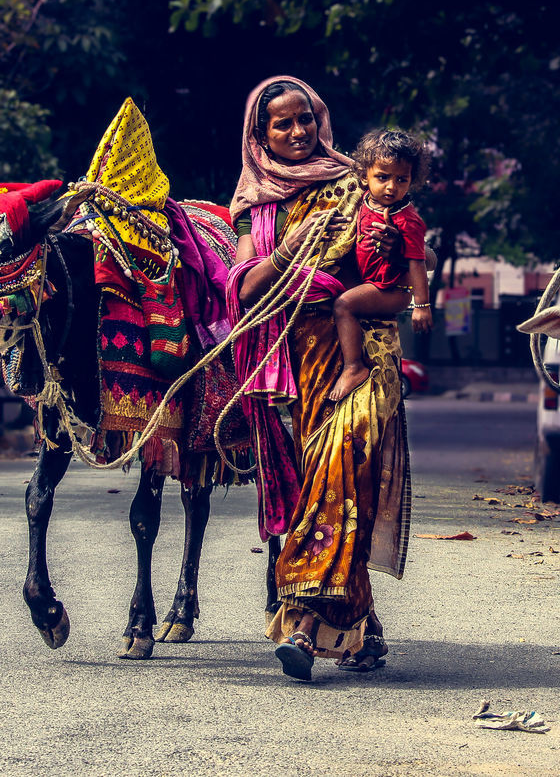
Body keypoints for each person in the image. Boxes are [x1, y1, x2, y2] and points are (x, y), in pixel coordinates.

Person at [226, 76, 412, 681]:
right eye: (283, 123)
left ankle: (303, 622)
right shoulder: (252, 206)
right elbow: (243, 291)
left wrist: (382, 248)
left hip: (362, 351)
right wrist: (286, 254)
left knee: (341, 464)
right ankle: (359, 628)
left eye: (306, 118)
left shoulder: (356, 185)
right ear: (260, 134)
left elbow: (397, 278)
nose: (299, 132)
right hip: (289, 363)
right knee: (331, 484)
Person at [328, 129, 433, 401]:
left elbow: (417, 261)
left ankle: (354, 368)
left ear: (412, 181)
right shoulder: (362, 201)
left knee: (344, 305)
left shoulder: (407, 219)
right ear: (365, 176)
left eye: (401, 179)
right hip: (368, 280)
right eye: (383, 177)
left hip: (392, 289)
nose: (391, 187)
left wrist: (422, 306)